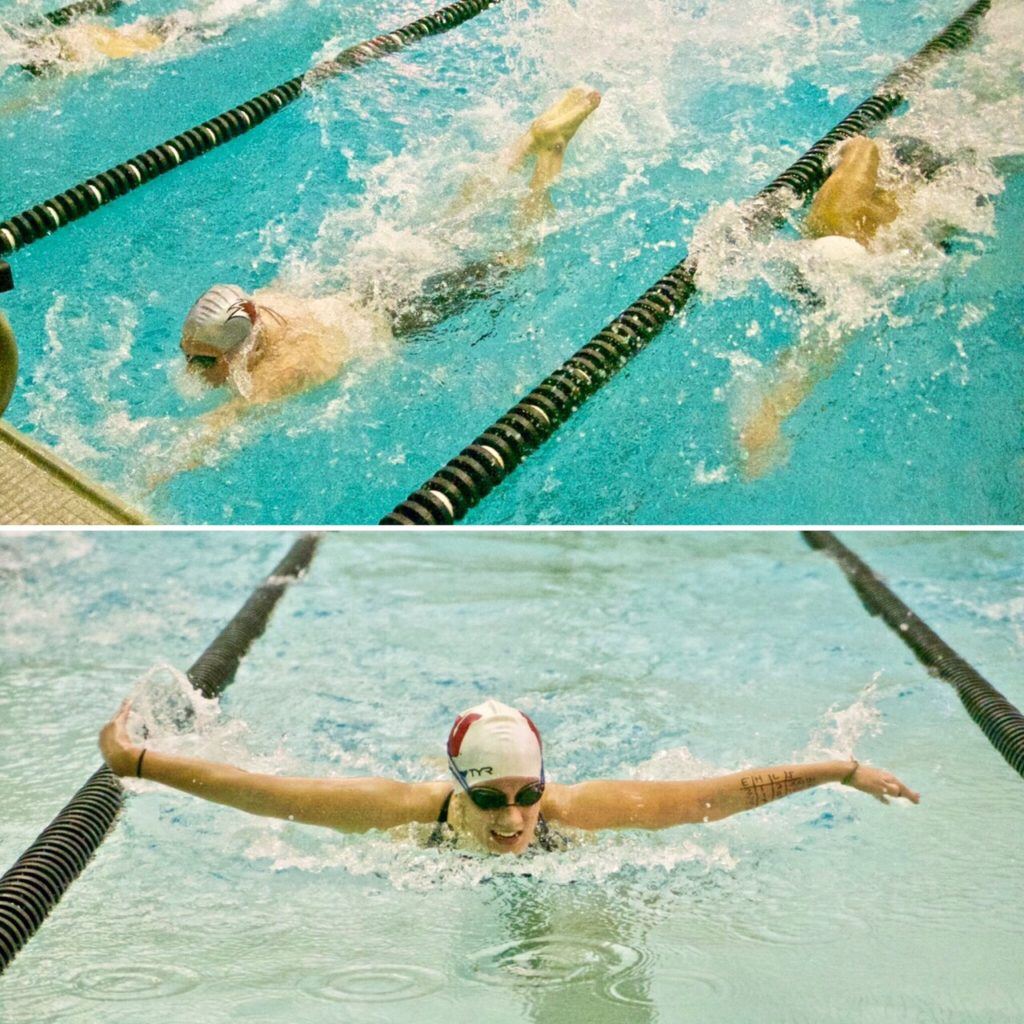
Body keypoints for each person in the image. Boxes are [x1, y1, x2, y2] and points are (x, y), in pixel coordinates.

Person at [99, 697, 920, 857]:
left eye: (528, 794)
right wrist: (135, 762)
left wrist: (841, 769)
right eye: (489, 799)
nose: (515, 816)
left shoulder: (579, 812)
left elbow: (723, 793)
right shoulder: (404, 813)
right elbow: (264, 792)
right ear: (457, 791)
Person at [736, 133, 950, 478]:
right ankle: (767, 421)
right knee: (825, 342)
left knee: (822, 343)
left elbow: (864, 144)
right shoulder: (911, 221)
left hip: (843, 256)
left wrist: (842, 151)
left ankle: (766, 422)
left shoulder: (839, 210)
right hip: (867, 272)